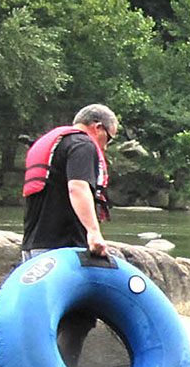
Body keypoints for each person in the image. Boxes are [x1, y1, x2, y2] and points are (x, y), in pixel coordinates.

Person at [21, 104, 118, 260]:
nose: (105, 146)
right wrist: (94, 232)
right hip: (64, 249)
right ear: (98, 127)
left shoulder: (51, 143)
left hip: (33, 247)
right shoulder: (83, 145)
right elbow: (78, 187)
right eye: (108, 138)